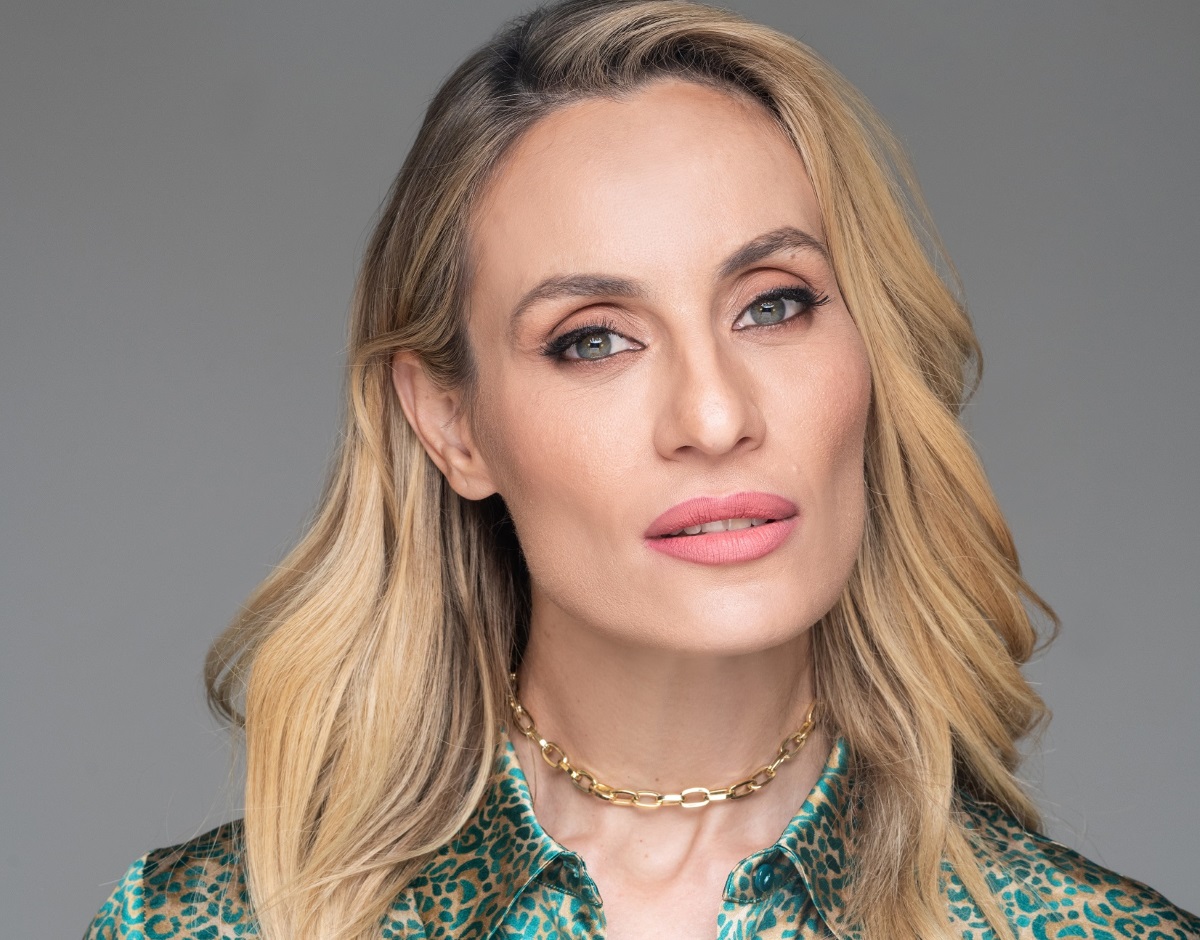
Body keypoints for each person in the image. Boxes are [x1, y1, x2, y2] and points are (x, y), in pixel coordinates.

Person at [84, 2, 1199, 939]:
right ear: (451, 424)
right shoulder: (204, 923)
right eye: (594, 339)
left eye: (773, 305)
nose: (714, 416)